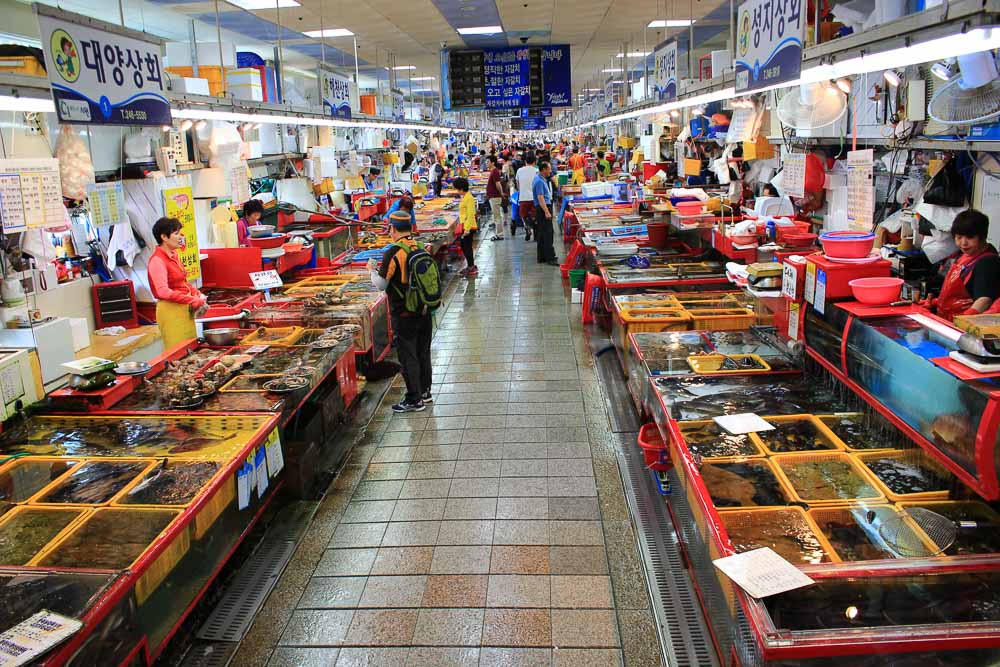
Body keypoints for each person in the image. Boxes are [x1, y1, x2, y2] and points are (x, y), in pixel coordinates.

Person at [368, 211, 434, 412]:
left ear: (393, 228)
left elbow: (381, 284)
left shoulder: (394, 252)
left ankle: (414, 399)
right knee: (423, 352)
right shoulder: (421, 246)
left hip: (404, 313)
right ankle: (425, 392)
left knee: (408, 356)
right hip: (424, 310)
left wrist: (371, 269)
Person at [924, 209, 1000, 320]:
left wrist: (963, 320)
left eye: (970, 237)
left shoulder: (987, 262)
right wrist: (936, 302)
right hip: (947, 319)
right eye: (959, 237)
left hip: (965, 326)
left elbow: (985, 300)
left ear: (982, 236)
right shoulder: (963, 255)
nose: (963, 243)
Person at [148, 216, 208, 349]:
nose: (180, 236)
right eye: (176, 233)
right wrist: (191, 300)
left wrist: (196, 293)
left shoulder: (174, 255)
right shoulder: (157, 261)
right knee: (177, 354)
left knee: (190, 351)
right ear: (164, 237)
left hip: (184, 311)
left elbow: (182, 281)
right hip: (170, 312)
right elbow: (162, 291)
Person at [533, 161, 558, 266]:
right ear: (543, 170)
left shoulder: (540, 178)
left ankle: (542, 256)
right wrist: (547, 211)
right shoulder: (539, 181)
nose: (550, 171)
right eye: (549, 169)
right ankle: (550, 258)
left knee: (542, 233)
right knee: (548, 233)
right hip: (543, 208)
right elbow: (540, 197)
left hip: (542, 208)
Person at [454, 177, 478, 277]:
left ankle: (471, 267)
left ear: (461, 188)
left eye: (457, 189)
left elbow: (470, 214)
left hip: (469, 227)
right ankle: (470, 266)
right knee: (464, 246)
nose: (457, 191)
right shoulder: (465, 197)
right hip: (465, 226)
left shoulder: (469, 198)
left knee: (467, 247)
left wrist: (467, 229)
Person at [516, 153, 540, 241]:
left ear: (525, 161)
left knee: (524, 215)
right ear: (534, 162)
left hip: (523, 197)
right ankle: (535, 233)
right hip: (535, 198)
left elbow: (518, 185)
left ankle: (527, 227)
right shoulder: (537, 171)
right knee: (535, 216)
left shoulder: (519, 171)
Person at [486, 155, 506, 241]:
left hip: (495, 197)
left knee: (497, 216)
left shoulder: (494, 172)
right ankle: (499, 233)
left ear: (493, 162)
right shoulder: (493, 171)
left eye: (488, 162)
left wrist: (501, 193)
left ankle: (500, 235)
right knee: (496, 216)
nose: (487, 163)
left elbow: (498, 184)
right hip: (493, 196)